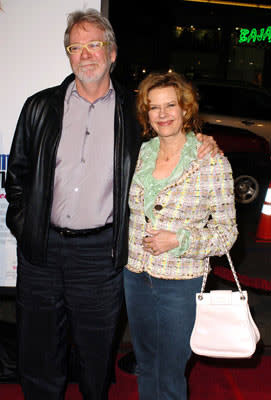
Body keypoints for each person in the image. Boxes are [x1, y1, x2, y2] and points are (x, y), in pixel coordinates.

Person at [5, 9, 219, 400]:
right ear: (68, 55)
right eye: (76, 46)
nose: (86, 54)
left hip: (101, 255)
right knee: (37, 356)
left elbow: (174, 136)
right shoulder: (39, 107)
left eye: (95, 45)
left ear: (112, 52)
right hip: (41, 252)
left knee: (95, 357)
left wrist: (204, 141)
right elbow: (16, 176)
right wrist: (25, 224)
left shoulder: (134, 113)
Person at [124, 71, 238, 400]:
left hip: (180, 281)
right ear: (146, 114)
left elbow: (226, 234)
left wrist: (179, 239)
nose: (162, 114)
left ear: (186, 109)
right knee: (145, 363)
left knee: (171, 370)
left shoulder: (211, 162)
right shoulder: (141, 152)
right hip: (135, 276)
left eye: (170, 105)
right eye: (154, 107)